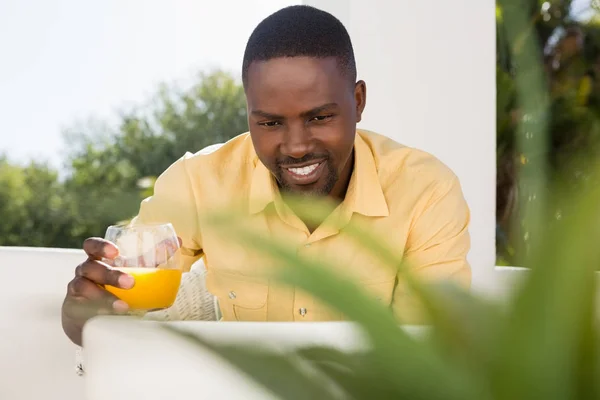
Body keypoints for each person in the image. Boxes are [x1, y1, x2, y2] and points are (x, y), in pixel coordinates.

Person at [62, 5, 471, 346]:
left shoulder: (425, 192)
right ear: (249, 114)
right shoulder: (197, 184)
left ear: (358, 101)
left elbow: (429, 357)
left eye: (320, 117)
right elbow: (107, 313)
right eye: (271, 123)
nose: (295, 146)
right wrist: (88, 313)